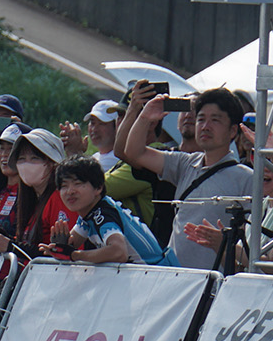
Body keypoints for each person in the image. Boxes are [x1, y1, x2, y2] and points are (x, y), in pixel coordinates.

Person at [115, 85, 254, 270]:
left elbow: (252, 245)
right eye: (201, 119)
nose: (205, 126)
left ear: (232, 131)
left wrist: (224, 243)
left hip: (212, 283)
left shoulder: (246, 178)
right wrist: (145, 115)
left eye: (215, 120)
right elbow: (133, 152)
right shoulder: (184, 163)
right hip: (174, 275)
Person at [50, 157, 174, 265]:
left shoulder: (103, 214)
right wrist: (59, 246)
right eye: (64, 186)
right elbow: (71, 244)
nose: (70, 191)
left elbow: (118, 252)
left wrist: (75, 255)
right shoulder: (88, 214)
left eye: (77, 183)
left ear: (98, 187)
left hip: (159, 275)